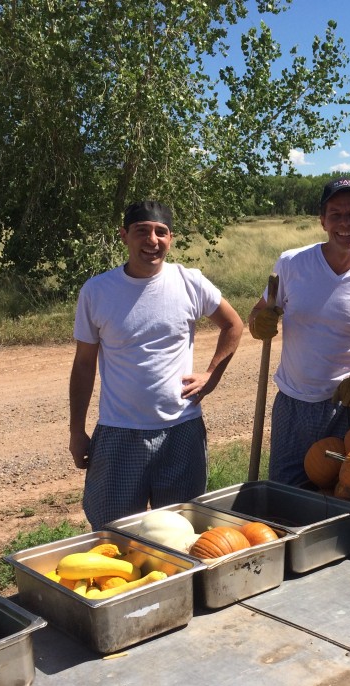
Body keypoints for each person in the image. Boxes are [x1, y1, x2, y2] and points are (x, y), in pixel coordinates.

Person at [69, 200, 244, 530]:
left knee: (181, 532)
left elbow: (233, 324)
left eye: (161, 232)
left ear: (171, 238)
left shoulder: (189, 282)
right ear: (124, 236)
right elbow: (83, 365)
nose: (152, 240)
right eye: (142, 231)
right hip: (119, 432)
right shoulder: (97, 291)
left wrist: (212, 375)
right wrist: (76, 430)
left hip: (181, 430)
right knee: (112, 533)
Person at [248, 178, 350, 485]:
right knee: (284, 493)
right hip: (293, 403)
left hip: (347, 407)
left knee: (342, 494)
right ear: (322, 220)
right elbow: (259, 313)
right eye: (335, 214)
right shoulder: (293, 263)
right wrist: (259, 322)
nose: (345, 223)